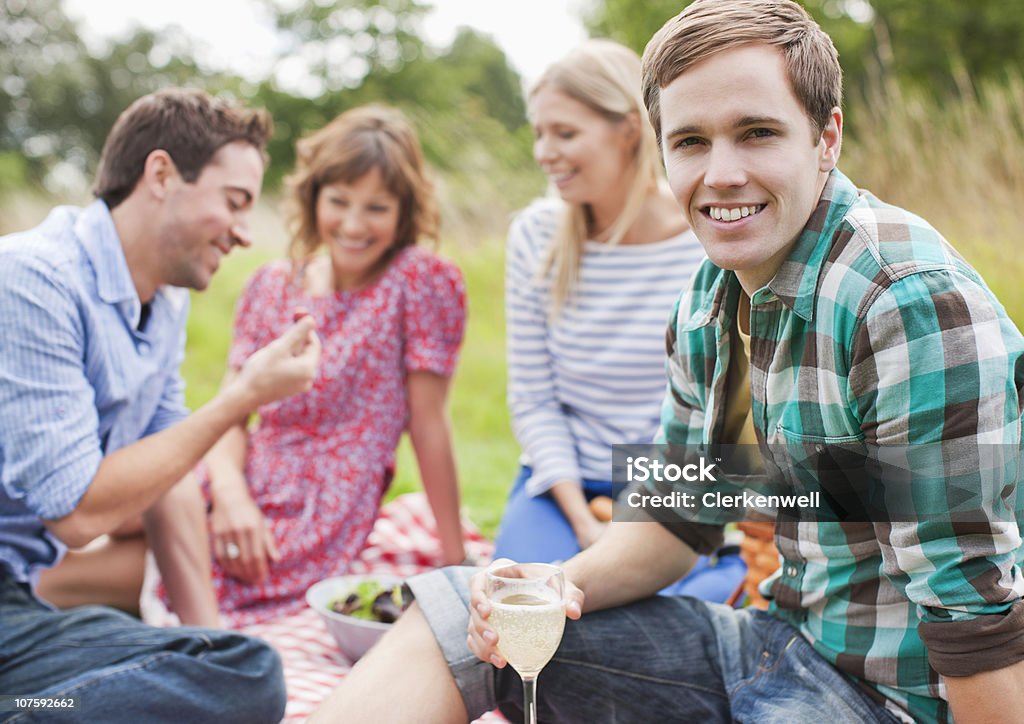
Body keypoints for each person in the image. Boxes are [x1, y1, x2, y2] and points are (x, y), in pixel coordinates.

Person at [310, 1, 1024, 723]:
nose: (721, 174)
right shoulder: (708, 298)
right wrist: (553, 585)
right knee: (460, 613)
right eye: (690, 142)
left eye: (757, 133)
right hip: (778, 645)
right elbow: (678, 517)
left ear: (826, 136)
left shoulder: (906, 303)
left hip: (893, 699)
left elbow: (974, 619)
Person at [0, 88, 320, 723]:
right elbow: (77, 512)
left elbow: (171, 475)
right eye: (234, 203)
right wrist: (241, 399)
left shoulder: (164, 302)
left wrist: (213, 647)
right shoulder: (31, 279)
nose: (243, 233)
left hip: (15, 601)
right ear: (162, 173)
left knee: (247, 671)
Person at [493, 39, 744, 602]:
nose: (544, 152)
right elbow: (533, 398)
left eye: (564, 133)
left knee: (661, 626)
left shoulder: (704, 241)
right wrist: (584, 524)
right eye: (539, 133)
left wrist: (634, 527)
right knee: (519, 605)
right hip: (564, 485)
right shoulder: (535, 236)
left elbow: (718, 410)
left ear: (629, 129)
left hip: (671, 488)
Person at [199, 104, 467, 627]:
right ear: (313, 195)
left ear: (404, 210)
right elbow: (228, 414)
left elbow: (428, 424)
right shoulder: (272, 285)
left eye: (376, 208)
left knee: (172, 549)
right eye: (339, 201)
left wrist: (454, 557)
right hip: (240, 473)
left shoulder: (418, 281)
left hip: (318, 510)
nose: (352, 224)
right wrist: (230, 495)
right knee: (141, 501)